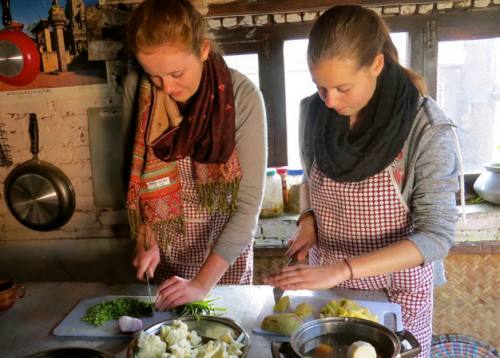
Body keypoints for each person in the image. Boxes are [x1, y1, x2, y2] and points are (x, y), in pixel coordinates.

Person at [264, 5, 461, 357]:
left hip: (395, 293)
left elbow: (437, 236)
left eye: (342, 87)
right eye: (320, 87)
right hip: (328, 284)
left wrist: (343, 270)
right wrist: (308, 221)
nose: (330, 101)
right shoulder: (312, 113)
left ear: (376, 65)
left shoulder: (425, 128)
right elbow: (311, 179)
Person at [123, 0, 267, 311]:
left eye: (176, 73)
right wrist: (146, 239)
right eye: (155, 76)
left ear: (203, 50)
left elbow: (247, 207)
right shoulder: (137, 88)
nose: (167, 88)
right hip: (166, 259)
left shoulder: (242, 97)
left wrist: (202, 283)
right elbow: (134, 178)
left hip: (221, 264)